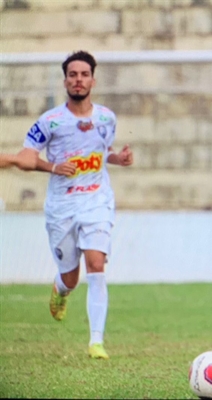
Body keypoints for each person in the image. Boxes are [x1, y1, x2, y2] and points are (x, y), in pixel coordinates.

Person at [20, 51, 133, 360]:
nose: (78, 79)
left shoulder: (107, 118)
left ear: (93, 80)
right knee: (71, 276)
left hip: (96, 200)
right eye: (73, 74)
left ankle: (96, 341)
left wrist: (117, 159)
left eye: (84, 74)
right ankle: (60, 289)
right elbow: (27, 156)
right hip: (61, 206)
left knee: (96, 264)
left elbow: (102, 151)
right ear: (65, 80)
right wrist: (52, 167)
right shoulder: (50, 121)